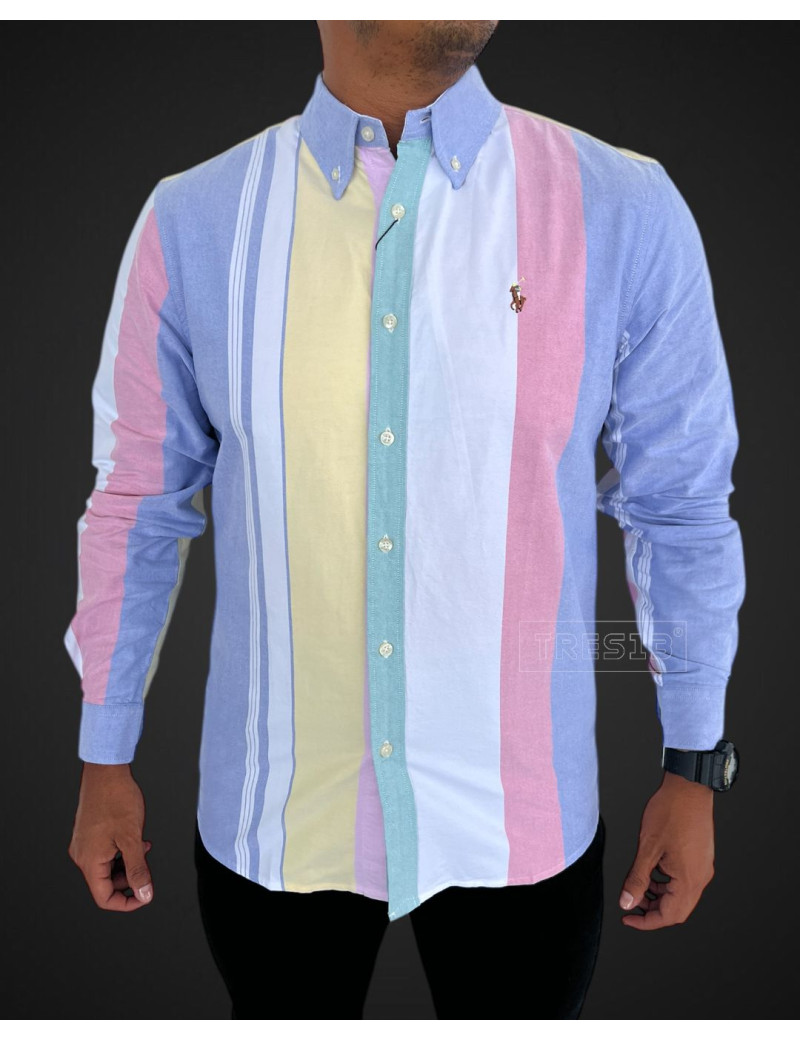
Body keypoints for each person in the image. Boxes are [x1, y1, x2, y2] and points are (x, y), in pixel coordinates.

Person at [63, 20, 746, 1020]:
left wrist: (693, 763)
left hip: (524, 827)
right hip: (274, 825)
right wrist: (105, 752)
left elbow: (678, 501)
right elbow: (137, 502)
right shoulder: (195, 220)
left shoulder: (620, 208)